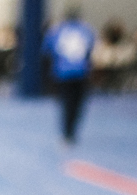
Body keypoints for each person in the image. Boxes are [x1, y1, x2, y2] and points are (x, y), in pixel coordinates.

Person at [44, 7, 95, 144]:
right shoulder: (86, 30)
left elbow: (47, 49)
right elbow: (91, 50)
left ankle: (66, 133)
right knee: (77, 104)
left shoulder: (57, 30)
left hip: (63, 73)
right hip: (81, 73)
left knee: (66, 103)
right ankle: (71, 131)